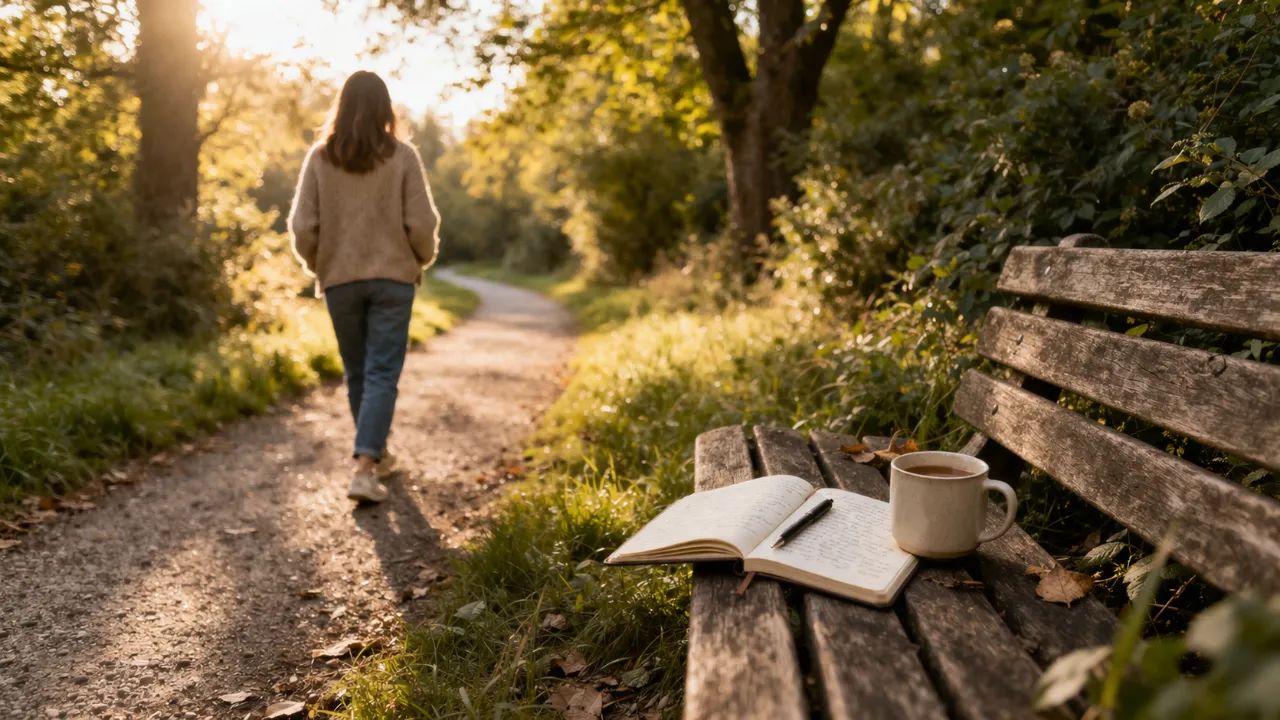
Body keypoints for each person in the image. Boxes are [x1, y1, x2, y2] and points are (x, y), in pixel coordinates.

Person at [288, 70, 440, 503]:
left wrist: (320, 263)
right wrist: (419, 259)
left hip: (340, 280)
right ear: (385, 108)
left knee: (359, 373)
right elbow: (423, 224)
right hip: (394, 279)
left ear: (342, 106)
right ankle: (365, 468)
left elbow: (302, 226)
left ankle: (375, 454)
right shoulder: (403, 156)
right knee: (380, 374)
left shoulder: (320, 157)